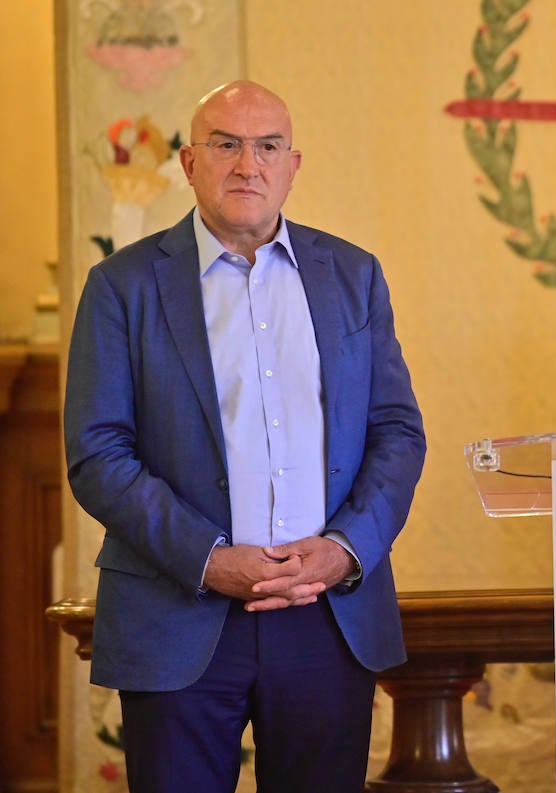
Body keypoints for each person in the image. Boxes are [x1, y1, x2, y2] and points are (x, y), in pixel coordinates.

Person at [64, 80, 426, 793]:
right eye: (225, 144)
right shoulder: (123, 285)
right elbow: (98, 452)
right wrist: (209, 559)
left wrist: (344, 549)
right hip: (179, 613)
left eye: (267, 146)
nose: (247, 164)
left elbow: (397, 431)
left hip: (326, 615)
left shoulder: (354, 276)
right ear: (190, 163)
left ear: (294, 164)